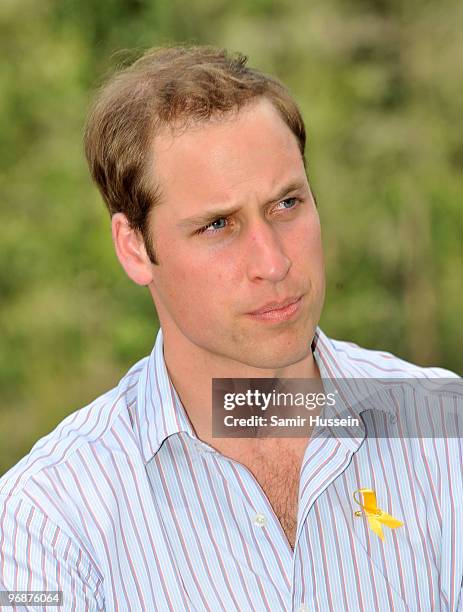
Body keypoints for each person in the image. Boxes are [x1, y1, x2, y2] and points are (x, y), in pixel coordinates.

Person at [0, 45, 461, 611]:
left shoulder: (446, 434)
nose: (273, 262)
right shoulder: (50, 520)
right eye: (218, 224)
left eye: (287, 203)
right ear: (135, 248)